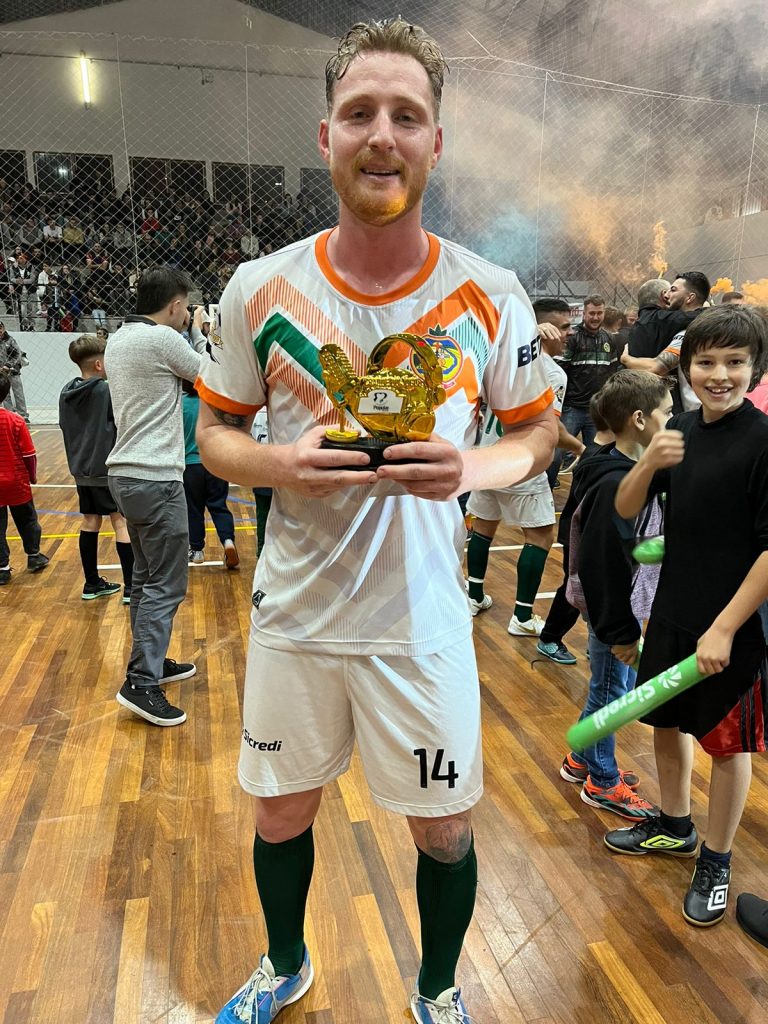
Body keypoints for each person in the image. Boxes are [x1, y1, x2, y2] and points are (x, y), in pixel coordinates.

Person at [195, 19, 557, 1024]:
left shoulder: (491, 294)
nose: (382, 135)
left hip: (423, 621)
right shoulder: (259, 287)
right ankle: (285, 964)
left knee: (445, 830)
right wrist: (278, 464)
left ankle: (438, 990)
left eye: (407, 115)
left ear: (437, 141)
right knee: (279, 811)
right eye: (360, 113)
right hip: (297, 615)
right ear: (327, 137)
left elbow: (538, 433)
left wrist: (470, 466)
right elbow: (215, 435)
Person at [608, 305, 768, 927]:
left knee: (729, 745)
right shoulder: (680, 431)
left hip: (734, 626)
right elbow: (627, 507)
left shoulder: (762, 441)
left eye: (735, 362)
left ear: (754, 369)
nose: (719, 374)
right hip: (673, 612)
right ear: (688, 368)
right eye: (707, 362)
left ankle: (717, 860)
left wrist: (724, 627)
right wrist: (649, 461)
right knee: (667, 723)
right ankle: (675, 826)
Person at [558, 370, 672, 819]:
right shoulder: (615, 485)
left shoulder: (613, 465)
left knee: (607, 686)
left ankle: (582, 758)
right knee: (612, 694)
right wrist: (621, 630)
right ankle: (602, 781)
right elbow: (602, 563)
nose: (673, 420)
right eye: (667, 413)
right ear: (640, 419)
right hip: (613, 610)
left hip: (613, 608)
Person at [106, 266, 202, 728]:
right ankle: (142, 681)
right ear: (176, 305)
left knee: (145, 580)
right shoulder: (164, 339)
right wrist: (199, 333)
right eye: (186, 308)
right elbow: (210, 377)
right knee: (166, 585)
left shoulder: (118, 338)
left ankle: (153, 660)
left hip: (125, 476)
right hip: (157, 478)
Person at [465, 298, 583, 636]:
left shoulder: (500, 357)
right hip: (520, 461)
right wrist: (581, 447)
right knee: (541, 534)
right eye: (563, 327)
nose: (569, 333)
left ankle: (474, 597)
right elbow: (553, 428)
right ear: (545, 330)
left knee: (484, 526)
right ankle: (523, 616)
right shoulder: (551, 371)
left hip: (486, 457)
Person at [536, 393, 614, 665]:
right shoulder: (598, 459)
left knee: (592, 589)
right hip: (580, 535)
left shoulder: (603, 453)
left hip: (585, 535)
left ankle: (599, 641)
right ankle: (550, 637)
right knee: (576, 589)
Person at [58, 334, 134, 601]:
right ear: (100, 364)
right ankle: (131, 588)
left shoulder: (66, 392)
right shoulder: (106, 391)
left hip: (81, 470)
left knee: (90, 521)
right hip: (107, 469)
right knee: (121, 522)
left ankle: (91, 583)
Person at [550, 294, 621, 478]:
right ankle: (547, 488)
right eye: (592, 313)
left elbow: (612, 372)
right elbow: (559, 370)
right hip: (571, 407)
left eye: (599, 313)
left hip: (596, 410)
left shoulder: (609, 339)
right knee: (555, 454)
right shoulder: (572, 337)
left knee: (595, 456)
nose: (595, 317)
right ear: (584, 313)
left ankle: (586, 491)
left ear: (604, 313)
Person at [182, 379, 239, 568]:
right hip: (215, 463)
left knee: (193, 509)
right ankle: (228, 541)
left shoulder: (181, 405)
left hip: (191, 465)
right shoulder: (215, 403)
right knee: (219, 506)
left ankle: (197, 550)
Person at [0, 369, 49, 585]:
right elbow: (29, 454)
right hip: (16, 482)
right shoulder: (15, 420)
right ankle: (34, 555)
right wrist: (33, 476)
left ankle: (2, 568)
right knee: (27, 519)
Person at [0, 321, 29, 422]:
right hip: (2, 373)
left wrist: (8, 365)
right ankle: (10, 415)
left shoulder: (10, 340)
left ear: (3, 328)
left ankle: (23, 415)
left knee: (18, 393)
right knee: (5, 394)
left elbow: (17, 354)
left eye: (0, 328)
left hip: (13, 371)